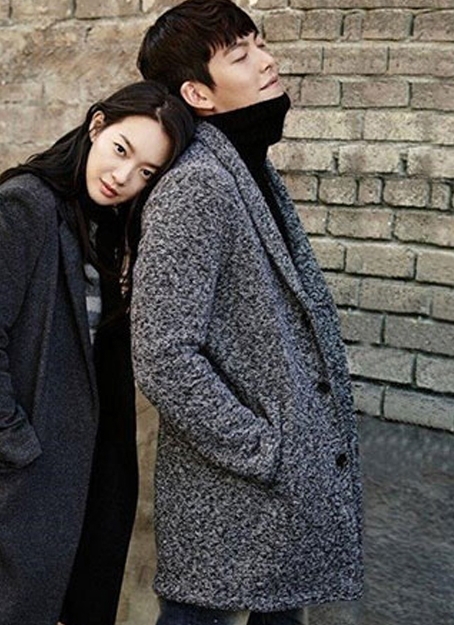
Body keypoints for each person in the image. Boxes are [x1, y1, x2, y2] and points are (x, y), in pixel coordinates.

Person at [132, 1, 363, 623]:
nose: (266, 61)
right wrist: (266, 449)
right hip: (234, 493)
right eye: (240, 56)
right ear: (197, 94)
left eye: (259, 43)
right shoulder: (197, 185)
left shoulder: (248, 166)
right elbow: (163, 356)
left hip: (272, 498)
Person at [0, 80, 194, 625]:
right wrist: (16, 445)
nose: (123, 177)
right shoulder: (26, 205)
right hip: (29, 474)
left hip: (84, 472)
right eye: (120, 150)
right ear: (97, 125)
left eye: (146, 172)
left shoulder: (105, 227)